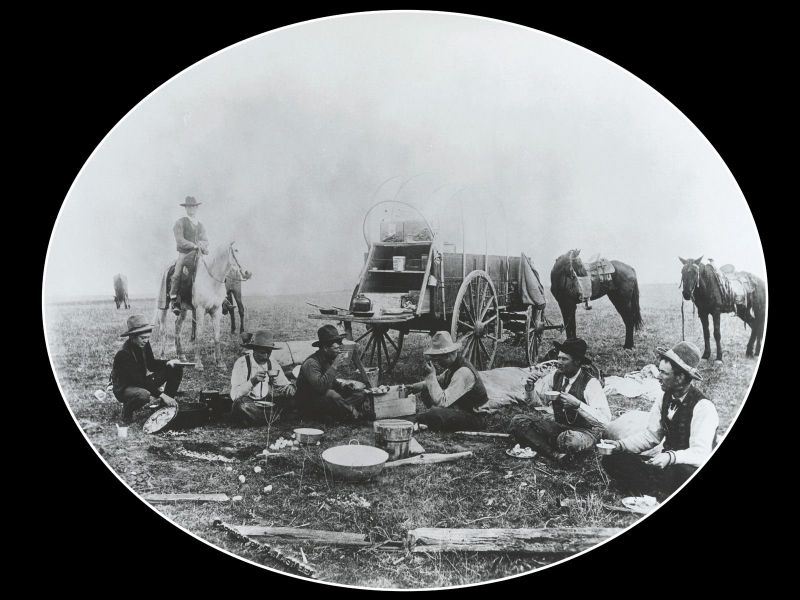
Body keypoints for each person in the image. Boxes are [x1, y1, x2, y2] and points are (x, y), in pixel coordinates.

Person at [601, 341, 719, 498]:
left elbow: (701, 454)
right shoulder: (664, 397)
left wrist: (670, 457)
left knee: (682, 473)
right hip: (666, 465)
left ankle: (650, 488)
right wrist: (620, 445)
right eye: (659, 371)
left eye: (664, 373)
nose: (658, 376)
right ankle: (655, 489)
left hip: (688, 468)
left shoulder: (703, 407)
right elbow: (651, 436)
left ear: (680, 377)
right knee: (612, 459)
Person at [512, 338, 611, 461]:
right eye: (558, 357)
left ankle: (543, 444)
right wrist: (530, 388)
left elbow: (605, 421)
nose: (558, 362)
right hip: (559, 426)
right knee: (518, 421)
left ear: (577, 361)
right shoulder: (555, 375)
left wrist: (577, 405)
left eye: (564, 359)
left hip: (584, 432)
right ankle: (555, 454)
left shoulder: (591, 383)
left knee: (569, 441)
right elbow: (537, 403)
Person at [406, 331, 488, 431]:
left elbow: (442, 402)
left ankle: (419, 420)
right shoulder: (454, 365)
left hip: (475, 417)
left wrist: (431, 375)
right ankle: (430, 418)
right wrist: (414, 387)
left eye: (439, 360)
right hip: (460, 408)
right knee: (426, 391)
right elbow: (440, 379)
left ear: (448, 355)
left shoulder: (463, 372)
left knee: (435, 413)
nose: (437, 363)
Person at [111, 315, 183, 423]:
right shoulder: (123, 354)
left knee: (175, 368)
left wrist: (168, 362)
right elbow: (139, 381)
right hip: (125, 387)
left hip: (141, 381)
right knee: (144, 395)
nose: (146, 341)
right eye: (143, 338)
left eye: (147, 337)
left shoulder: (144, 344)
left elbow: (152, 365)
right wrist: (163, 395)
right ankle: (127, 410)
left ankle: (163, 407)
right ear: (132, 337)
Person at [294, 325, 364, 421]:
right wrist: (334, 366)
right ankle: (350, 412)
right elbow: (321, 387)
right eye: (336, 349)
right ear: (325, 348)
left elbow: (330, 382)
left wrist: (342, 386)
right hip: (309, 399)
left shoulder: (327, 358)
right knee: (332, 395)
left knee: (359, 394)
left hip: (325, 397)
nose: (339, 352)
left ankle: (339, 412)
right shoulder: (311, 363)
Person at [229, 329, 292, 425]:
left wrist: (289, 387)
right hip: (249, 403)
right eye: (262, 352)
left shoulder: (272, 362)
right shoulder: (242, 363)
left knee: (293, 401)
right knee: (241, 405)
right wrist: (253, 381)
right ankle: (273, 418)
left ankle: (261, 418)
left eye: (269, 352)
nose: (266, 356)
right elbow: (235, 395)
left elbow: (284, 384)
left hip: (266, 404)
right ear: (254, 350)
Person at [170, 195, 208, 315]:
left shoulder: (200, 224)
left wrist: (202, 245)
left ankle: (222, 299)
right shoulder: (180, 222)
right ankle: (175, 300)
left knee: (212, 269)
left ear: (196, 208)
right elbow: (179, 239)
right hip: (184, 254)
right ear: (186, 208)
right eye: (189, 207)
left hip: (198, 254)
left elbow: (205, 239)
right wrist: (193, 245)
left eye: (194, 207)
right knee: (177, 274)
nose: (191, 209)